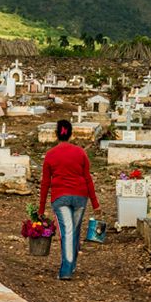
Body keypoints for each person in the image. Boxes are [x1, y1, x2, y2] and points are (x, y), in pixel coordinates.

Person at [38, 119, 100, 280]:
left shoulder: (51, 155)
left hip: (61, 198)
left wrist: (41, 208)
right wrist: (95, 203)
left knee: (68, 232)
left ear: (56, 134)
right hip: (81, 196)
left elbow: (45, 183)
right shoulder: (80, 152)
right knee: (74, 230)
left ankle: (66, 270)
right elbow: (87, 178)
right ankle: (71, 265)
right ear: (71, 134)